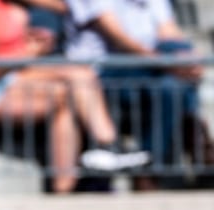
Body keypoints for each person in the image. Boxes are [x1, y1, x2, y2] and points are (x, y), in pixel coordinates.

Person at [0, 0, 149, 193]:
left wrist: (31, 43)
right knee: (69, 86)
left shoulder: (9, 6)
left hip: (5, 79)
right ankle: (106, 145)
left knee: (76, 79)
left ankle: (66, 184)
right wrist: (29, 53)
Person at [61, 0, 212, 190]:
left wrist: (188, 57)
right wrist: (164, 62)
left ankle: (149, 166)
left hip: (148, 66)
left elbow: (168, 30)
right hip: (103, 71)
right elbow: (117, 37)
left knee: (173, 86)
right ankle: (198, 141)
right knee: (174, 84)